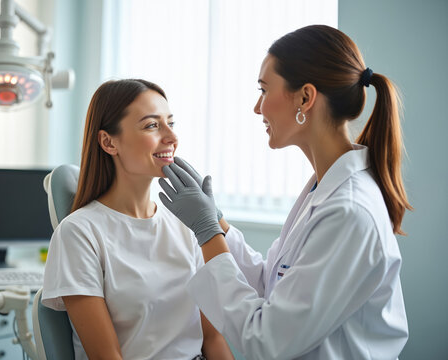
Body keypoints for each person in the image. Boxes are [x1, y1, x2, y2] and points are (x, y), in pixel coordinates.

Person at [159, 25, 411, 359]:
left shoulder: (349, 211)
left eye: (264, 90)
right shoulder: (323, 188)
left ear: (305, 98)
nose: (257, 107)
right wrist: (218, 224)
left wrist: (208, 236)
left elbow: (267, 341)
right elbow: (272, 282)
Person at [41, 79, 233, 360]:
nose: (171, 137)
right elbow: (107, 356)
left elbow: (213, 338)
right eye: (152, 125)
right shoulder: (79, 233)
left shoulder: (186, 224)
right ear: (109, 142)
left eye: (171, 123)